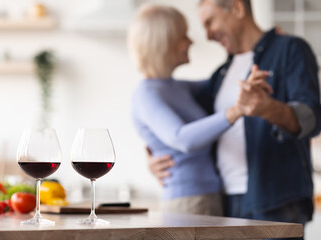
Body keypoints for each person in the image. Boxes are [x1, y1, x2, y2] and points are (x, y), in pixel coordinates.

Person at [148, 0, 321, 237]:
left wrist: (266, 108)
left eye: (210, 22)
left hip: (276, 202)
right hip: (224, 203)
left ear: (237, 8)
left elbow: (311, 118)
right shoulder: (220, 74)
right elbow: (189, 127)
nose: (207, 35)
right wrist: (153, 156)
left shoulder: (290, 49)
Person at [128, 4, 270, 215]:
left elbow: (230, 80)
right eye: (183, 35)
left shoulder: (176, 87)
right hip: (187, 202)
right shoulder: (146, 94)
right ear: (163, 42)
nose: (191, 41)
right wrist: (235, 111)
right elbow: (182, 139)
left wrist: (271, 44)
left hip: (209, 196)